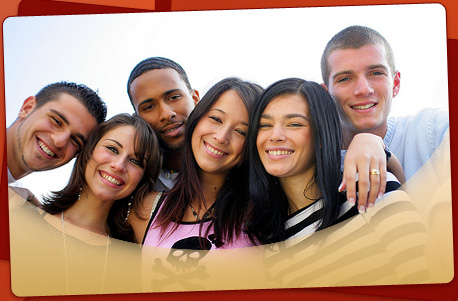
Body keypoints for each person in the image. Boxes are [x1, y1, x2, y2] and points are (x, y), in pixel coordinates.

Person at [9, 113, 161, 295]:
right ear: (89, 151)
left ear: (142, 179)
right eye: (112, 149)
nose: (119, 165)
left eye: (135, 161)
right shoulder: (18, 216)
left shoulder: (134, 258)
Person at [246, 78, 401, 244]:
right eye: (265, 125)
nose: (275, 136)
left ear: (322, 135)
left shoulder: (371, 192)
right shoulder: (266, 233)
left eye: (294, 124)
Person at [139, 77, 263, 249]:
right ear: (197, 118)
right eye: (216, 119)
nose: (221, 137)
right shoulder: (145, 211)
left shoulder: (261, 217)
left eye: (241, 131)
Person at [321, 25, 449, 181]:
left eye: (376, 73)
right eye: (345, 79)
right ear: (326, 94)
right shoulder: (308, 161)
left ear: (395, 84)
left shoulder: (431, 131)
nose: (363, 89)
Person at [7, 81, 107, 204]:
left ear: (76, 155)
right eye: (56, 121)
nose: (59, 141)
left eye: (75, 140)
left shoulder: (19, 200)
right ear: (27, 108)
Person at [127, 57, 200, 192]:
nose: (166, 114)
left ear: (195, 98)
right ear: (137, 119)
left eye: (174, 97)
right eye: (149, 107)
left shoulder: (235, 163)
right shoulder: (132, 185)